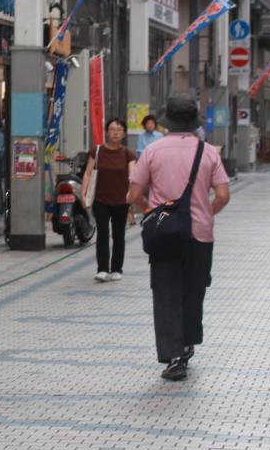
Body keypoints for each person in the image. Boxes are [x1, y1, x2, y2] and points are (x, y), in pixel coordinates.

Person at [128, 95, 230, 381]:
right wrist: (205, 214)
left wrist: (153, 212)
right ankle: (187, 342)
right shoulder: (208, 152)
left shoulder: (152, 151)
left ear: (166, 122)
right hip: (200, 235)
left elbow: (134, 194)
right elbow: (223, 195)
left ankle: (174, 357)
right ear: (193, 123)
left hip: (164, 234)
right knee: (194, 291)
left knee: (166, 292)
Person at [82, 118, 136, 282]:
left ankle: (117, 268)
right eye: (112, 129)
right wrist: (83, 194)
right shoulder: (97, 151)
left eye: (119, 130)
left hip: (121, 200)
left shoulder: (128, 154)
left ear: (124, 133)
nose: (115, 132)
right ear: (107, 132)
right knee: (103, 233)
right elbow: (88, 173)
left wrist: (131, 194)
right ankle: (103, 269)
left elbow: (132, 176)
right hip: (101, 199)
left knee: (119, 234)